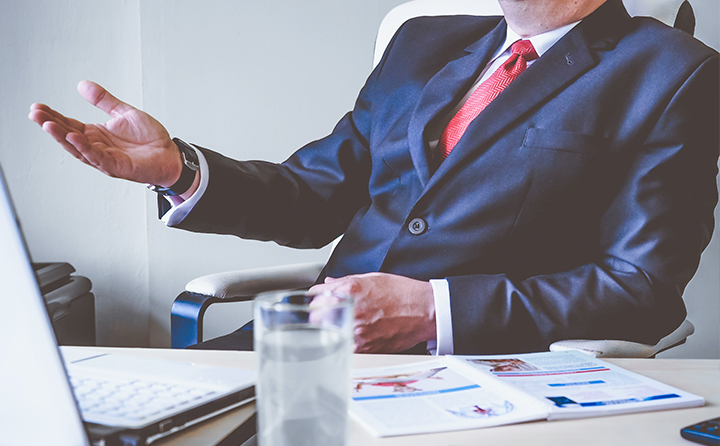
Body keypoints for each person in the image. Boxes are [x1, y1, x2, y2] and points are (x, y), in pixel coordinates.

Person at [29, 0, 719, 355]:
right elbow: (313, 197)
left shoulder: (673, 72)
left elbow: (642, 288)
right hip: (307, 345)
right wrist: (179, 168)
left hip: (478, 372)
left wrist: (432, 312)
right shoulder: (425, 41)